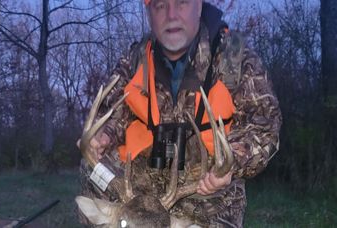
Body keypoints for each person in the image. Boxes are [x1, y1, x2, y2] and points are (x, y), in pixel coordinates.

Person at [77, 0, 282, 227]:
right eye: (160, 5)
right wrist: (103, 135)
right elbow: (114, 110)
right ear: (149, 13)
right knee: (92, 166)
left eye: (182, 2)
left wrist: (232, 161)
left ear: (199, 6)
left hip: (205, 189)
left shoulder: (235, 61)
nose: (171, 15)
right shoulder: (135, 60)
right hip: (138, 187)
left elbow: (264, 123)